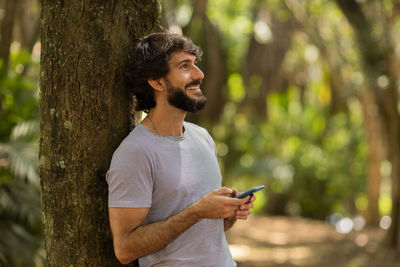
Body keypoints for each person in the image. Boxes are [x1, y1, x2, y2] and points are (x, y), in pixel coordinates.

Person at [106, 32, 256, 266]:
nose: (199, 74)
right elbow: (125, 249)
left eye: (195, 64)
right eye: (185, 66)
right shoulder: (135, 153)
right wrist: (197, 211)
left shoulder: (202, 138)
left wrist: (229, 212)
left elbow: (203, 232)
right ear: (157, 81)